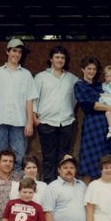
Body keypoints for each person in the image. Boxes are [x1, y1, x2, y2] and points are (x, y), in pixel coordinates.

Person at [0, 38, 38, 170]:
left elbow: (29, 100)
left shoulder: (26, 75)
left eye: (20, 52)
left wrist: (30, 122)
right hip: (0, 122)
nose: (17, 54)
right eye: (14, 51)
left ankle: (16, 189)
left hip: (20, 123)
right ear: (7, 52)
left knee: (19, 158)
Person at [33, 46, 79, 183]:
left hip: (67, 122)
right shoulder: (41, 77)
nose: (60, 60)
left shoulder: (72, 79)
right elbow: (34, 98)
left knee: (64, 157)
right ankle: (49, 186)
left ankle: (62, 186)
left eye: (63, 57)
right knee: (48, 157)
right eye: (57, 57)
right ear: (51, 59)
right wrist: (35, 118)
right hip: (46, 122)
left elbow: (76, 98)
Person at [74, 56, 111, 180]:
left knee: (109, 159)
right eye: (89, 68)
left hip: (107, 125)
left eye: (94, 69)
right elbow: (91, 105)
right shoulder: (79, 86)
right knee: (92, 162)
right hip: (92, 126)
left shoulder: (101, 86)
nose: (91, 71)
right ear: (82, 69)